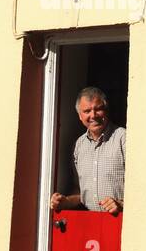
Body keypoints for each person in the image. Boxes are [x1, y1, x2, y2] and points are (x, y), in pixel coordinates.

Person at [50, 86, 125, 215]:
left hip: (120, 222)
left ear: (106, 110)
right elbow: (80, 192)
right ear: (80, 116)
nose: (93, 115)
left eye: (98, 109)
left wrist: (120, 203)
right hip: (88, 223)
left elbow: (142, 187)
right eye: (87, 111)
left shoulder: (123, 138)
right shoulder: (79, 145)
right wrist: (65, 201)